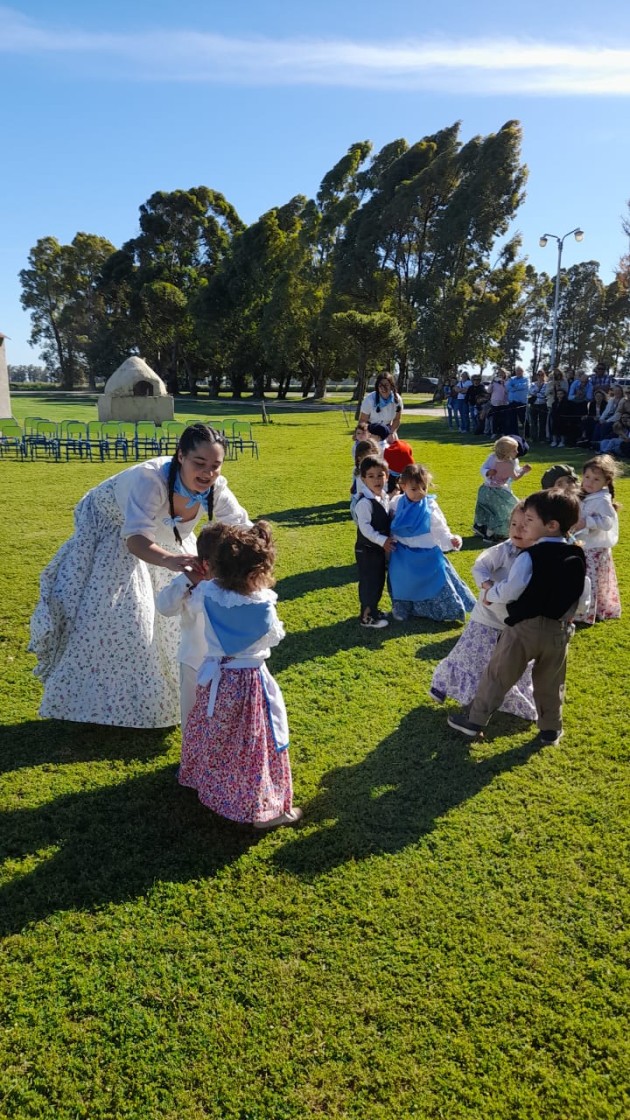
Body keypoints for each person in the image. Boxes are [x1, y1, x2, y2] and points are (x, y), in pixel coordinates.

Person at [29, 423, 251, 728]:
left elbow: (242, 526)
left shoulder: (216, 488)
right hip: (115, 529)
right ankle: (99, 704)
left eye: (215, 465)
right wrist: (172, 560)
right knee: (124, 618)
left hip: (166, 536)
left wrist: (255, 557)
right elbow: (135, 539)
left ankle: (170, 697)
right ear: (180, 456)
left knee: (177, 617)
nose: (208, 473)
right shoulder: (151, 480)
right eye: (199, 463)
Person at [179, 521, 302, 830]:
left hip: (217, 682)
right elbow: (274, 637)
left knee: (216, 732)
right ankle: (262, 808)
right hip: (248, 684)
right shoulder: (263, 608)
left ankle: (209, 784)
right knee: (253, 743)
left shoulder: (207, 593)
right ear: (254, 574)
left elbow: (194, 605)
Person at [447, 489, 588, 746]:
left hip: (523, 629)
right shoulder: (577, 554)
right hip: (558, 632)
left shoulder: (529, 556)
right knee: (550, 682)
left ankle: (474, 721)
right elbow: (583, 593)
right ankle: (550, 730)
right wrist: (570, 617)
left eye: (530, 520)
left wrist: (492, 592)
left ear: (551, 525)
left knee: (498, 675)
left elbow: (513, 588)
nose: (524, 525)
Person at [430, 504, 536, 720]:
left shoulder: (539, 556)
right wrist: (487, 585)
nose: (517, 530)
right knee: (469, 655)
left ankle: (509, 699)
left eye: (525, 526)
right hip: (486, 617)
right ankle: (443, 685)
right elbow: (480, 566)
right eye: (514, 524)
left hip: (514, 624)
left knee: (508, 665)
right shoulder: (504, 550)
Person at [155, 522, 227, 731]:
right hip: (193, 661)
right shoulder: (189, 584)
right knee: (192, 712)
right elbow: (165, 607)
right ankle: (191, 759)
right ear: (204, 563)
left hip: (227, 664)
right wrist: (187, 580)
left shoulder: (233, 585)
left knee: (222, 714)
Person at [388, 464, 476, 623]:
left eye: (424, 488)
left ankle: (445, 609)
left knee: (436, 581)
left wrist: (450, 540)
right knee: (402, 581)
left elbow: (439, 527)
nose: (419, 493)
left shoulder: (430, 506)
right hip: (402, 554)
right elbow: (389, 523)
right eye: (414, 489)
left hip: (427, 553)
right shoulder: (396, 502)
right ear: (403, 486)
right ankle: (402, 607)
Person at [573, 455, 621, 624]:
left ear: (605, 482)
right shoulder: (584, 495)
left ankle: (588, 611)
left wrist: (588, 522)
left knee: (591, 581)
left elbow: (608, 522)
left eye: (596, 479)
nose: (589, 482)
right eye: (587, 477)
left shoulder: (602, 500)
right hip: (583, 544)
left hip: (595, 548)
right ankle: (581, 608)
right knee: (583, 578)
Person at [354, 455, 395, 628]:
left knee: (379, 580)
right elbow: (366, 528)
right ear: (363, 478)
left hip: (378, 549)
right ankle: (366, 617)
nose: (376, 479)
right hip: (367, 549)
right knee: (370, 581)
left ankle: (374, 609)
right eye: (371, 476)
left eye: (380, 475)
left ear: (386, 476)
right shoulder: (364, 503)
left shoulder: (384, 497)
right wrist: (382, 540)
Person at [472, 436, 532, 544]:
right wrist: (488, 472)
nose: (517, 452)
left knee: (493, 510)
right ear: (506, 452)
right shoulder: (494, 458)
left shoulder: (512, 461)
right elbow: (515, 476)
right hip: (495, 490)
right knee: (503, 511)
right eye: (515, 450)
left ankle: (485, 529)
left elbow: (515, 471)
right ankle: (492, 533)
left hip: (490, 489)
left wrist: (522, 469)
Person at [350, 438, 380, 521]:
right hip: (366, 505)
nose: (375, 458)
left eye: (376, 454)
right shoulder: (364, 472)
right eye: (371, 455)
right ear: (360, 458)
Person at [505, 367, 529, 435]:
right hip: (512, 402)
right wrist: (517, 387)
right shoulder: (512, 379)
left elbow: (523, 386)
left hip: (521, 403)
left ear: (522, 372)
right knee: (512, 420)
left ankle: (527, 435)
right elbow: (508, 387)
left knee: (523, 419)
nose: (518, 372)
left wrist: (514, 386)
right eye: (517, 371)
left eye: (520, 371)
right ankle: (514, 434)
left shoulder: (526, 379)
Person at [527, 371, 548, 442]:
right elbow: (530, 392)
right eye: (538, 375)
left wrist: (536, 393)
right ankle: (533, 438)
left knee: (542, 422)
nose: (540, 376)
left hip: (543, 404)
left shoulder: (546, 384)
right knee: (533, 422)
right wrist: (537, 391)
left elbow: (545, 394)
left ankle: (542, 438)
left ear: (544, 376)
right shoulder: (533, 384)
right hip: (534, 404)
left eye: (541, 375)